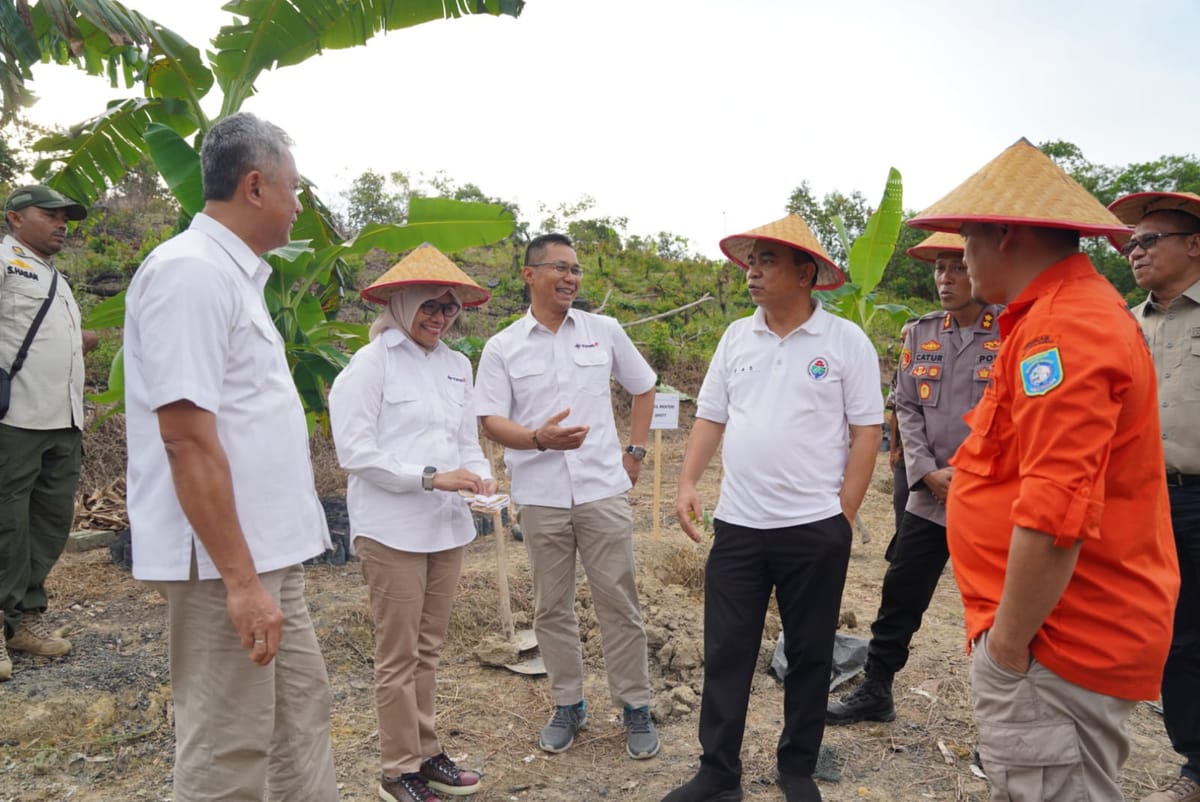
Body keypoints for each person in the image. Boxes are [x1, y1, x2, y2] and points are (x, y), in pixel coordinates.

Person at [908, 138, 1179, 801]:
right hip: (1048, 633)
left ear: (1003, 234)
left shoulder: (1067, 333)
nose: (961, 256)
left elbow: (1056, 515)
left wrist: (1005, 649)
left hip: (1057, 640)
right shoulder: (1041, 323)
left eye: (967, 237)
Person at [123, 113, 338, 802]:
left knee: (298, 718)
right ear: (255, 186)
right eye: (293, 188)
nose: (299, 204)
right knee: (228, 743)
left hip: (270, 554)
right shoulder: (189, 275)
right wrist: (242, 584)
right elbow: (186, 438)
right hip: (227, 566)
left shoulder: (236, 278)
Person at [663, 214, 883, 802]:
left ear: (805, 273)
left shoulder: (844, 342)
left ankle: (797, 767)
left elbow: (867, 432)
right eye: (751, 262)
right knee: (726, 651)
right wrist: (687, 480)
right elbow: (711, 415)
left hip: (814, 528)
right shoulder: (738, 336)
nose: (752, 273)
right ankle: (718, 773)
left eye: (766, 262)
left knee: (811, 652)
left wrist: (844, 513)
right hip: (738, 524)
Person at [475, 232, 660, 760]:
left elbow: (644, 386)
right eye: (560, 267)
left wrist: (636, 453)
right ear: (530, 275)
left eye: (577, 269)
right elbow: (490, 419)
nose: (572, 277)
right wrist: (537, 439)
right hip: (540, 494)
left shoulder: (604, 331)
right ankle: (568, 704)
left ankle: (635, 707)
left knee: (619, 603)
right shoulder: (503, 346)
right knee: (552, 607)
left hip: (602, 488)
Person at [329, 245, 494, 802]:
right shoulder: (370, 364)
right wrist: (430, 477)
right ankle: (397, 770)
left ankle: (425, 752)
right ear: (401, 304)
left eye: (449, 308)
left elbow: (466, 442)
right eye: (430, 306)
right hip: (392, 526)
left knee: (429, 648)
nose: (440, 317)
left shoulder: (455, 365)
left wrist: (480, 478)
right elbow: (355, 452)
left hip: (445, 526)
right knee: (397, 654)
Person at [828, 232, 1001, 724]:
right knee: (901, 592)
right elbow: (905, 406)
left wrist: (967, 473)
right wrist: (925, 471)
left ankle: (1000, 721)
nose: (946, 278)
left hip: (989, 495)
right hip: (929, 495)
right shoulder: (920, 333)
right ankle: (876, 689)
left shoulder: (1011, 331)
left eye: (959, 267)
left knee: (994, 607)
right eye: (940, 269)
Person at [1108, 191, 1200, 802]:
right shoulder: (1125, 325)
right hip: (1149, 499)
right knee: (1175, 633)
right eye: (1131, 245)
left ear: (1194, 244)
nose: (1135, 252)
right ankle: (1195, 764)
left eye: (1149, 240)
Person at [0, 185, 97, 681]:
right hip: (16, 418)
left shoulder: (55, 279)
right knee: (7, 525)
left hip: (63, 419)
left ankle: (25, 620)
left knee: (51, 520)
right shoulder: (4, 262)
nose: (62, 224)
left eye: (66, 218)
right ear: (16, 219)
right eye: (50, 215)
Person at [884, 316, 919, 561]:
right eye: (901, 340)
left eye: (908, 339)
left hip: (931, 453)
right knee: (901, 498)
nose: (904, 344)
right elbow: (895, 411)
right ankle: (902, 551)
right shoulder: (901, 370)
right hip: (905, 451)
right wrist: (894, 448)